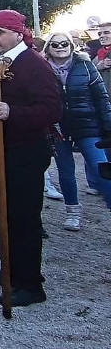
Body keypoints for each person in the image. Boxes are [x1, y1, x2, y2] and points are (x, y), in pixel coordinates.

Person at [0, 10, 62, 307]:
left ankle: (30, 284)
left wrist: (13, 113)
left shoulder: (33, 64)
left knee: (21, 217)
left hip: (23, 152)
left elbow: (52, 109)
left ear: (19, 34)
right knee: (0, 214)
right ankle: (12, 269)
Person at [43, 32, 111, 228]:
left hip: (88, 126)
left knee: (102, 169)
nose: (60, 47)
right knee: (65, 172)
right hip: (59, 128)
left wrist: (108, 127)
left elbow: (101, 97)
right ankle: (72, 213)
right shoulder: (43, 69)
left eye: (64, 43)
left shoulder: (85, 65)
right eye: (55, 44)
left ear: (71, 46)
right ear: (48, 48)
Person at [92, 21, 111, 93]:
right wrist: (98, 68)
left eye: (106, 33)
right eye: (99, 34)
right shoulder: (97, 56)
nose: (101, 36)